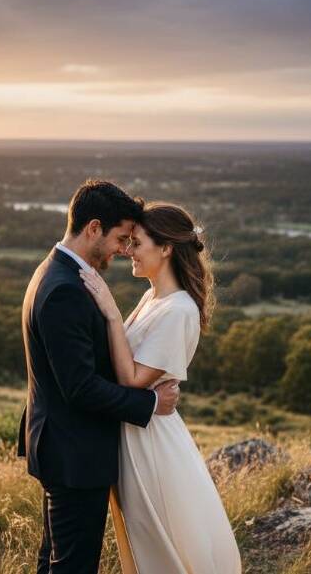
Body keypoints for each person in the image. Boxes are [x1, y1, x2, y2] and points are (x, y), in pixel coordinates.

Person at [17, 180, 181, 574]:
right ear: (93, 228)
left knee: (55, 561)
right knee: (73, 566)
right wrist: (151, 403)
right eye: (120, 238)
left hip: (64, 445)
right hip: (74, 451)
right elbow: (80, 388)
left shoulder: (58, 272)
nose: (123, 250)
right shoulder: (64, 290)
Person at [80, 201, 242, 574]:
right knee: (143, 539)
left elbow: (133, 379)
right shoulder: (153, 297)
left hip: (150, 442)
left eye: (136, 243)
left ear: (166, 248)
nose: (127, 251)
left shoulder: (179, 309)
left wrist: (110, 311)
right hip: (136, 429)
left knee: (159, 537)